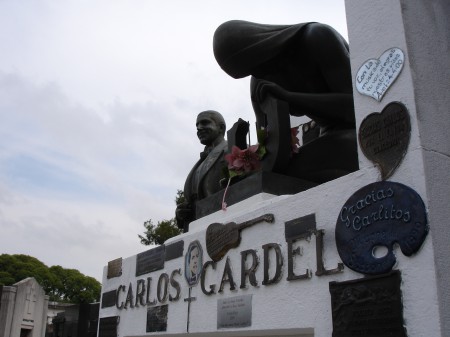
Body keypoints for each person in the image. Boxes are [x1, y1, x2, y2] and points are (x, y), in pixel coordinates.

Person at [213, 21, 358, 182]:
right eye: (249, 71)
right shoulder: (259, 81)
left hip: (363, 130)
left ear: (258, 46)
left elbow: (354, 107)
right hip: (328, 139)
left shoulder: (317, 37)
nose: (257, 73)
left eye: (254, 64)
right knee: (275, 176)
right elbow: (267, 146)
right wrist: (246, 172)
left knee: (288, 172)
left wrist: (289, 97)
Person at [176, 110, 228, 232]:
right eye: (197, 125)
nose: (199, 128)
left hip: (221, 225)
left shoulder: (233, 150)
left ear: (221, 128)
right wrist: (181, 214)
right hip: (195, 232)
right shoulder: (199, 163)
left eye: (204, 123)